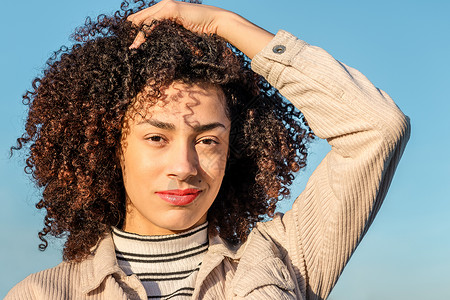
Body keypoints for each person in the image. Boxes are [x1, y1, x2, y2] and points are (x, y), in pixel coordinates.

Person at [6, 0, 410, 299]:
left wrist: (224, 23)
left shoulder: (285, 259)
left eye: (207, 140)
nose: (184, 166)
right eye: (156, 137)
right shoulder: (42, 294)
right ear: (112, 148)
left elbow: (378, 126)